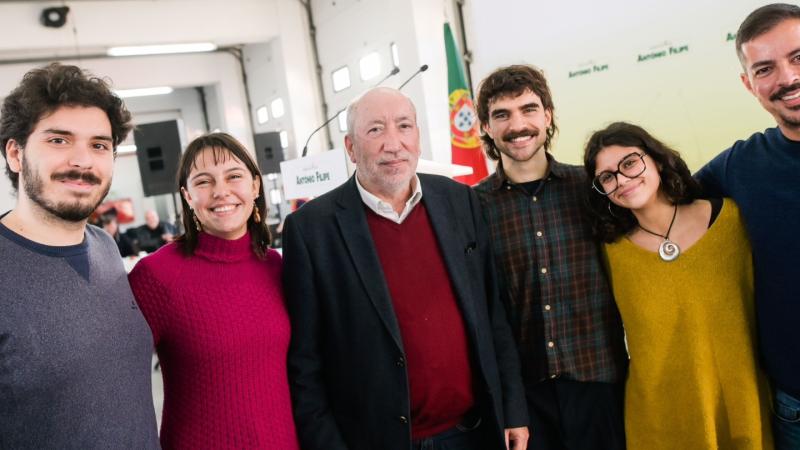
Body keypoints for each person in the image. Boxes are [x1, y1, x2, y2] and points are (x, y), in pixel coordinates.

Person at [282, 87, 529, 450]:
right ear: (350, 148)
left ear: (417, 137)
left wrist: (513, 409)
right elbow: (305, 363)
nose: (393, 143)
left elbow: (492, 313)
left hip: (472, 433)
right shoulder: (311, 230)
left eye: (404, 126)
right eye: (375, 130)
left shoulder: (459, 200)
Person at [584, 121, 772, 449]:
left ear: (656, 159)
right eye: (607, 177)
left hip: (743, 404)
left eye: (629, 163)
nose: (622, 179)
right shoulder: (610, 254)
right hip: (659, 419)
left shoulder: (731, 221)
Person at [0, 63, 159, 448]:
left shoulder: (104, 246)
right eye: (59, 140)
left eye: (99, 145)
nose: (83, 161)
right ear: (16, 155)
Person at [473, 64, 627, 450]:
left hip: (600, 385)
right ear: (487, 127)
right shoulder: (472, 206)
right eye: (501, 114)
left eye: (528, 109)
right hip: (525, 402)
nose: (517, 124)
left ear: (548, 116)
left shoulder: (591, 188)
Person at [128, 133, 299, 449]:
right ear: (188, 196)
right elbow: (116, 386)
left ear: (255, 186)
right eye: (204, 182)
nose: (221, 192)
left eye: (234, 176)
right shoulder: (158, 276)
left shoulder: (276, 266)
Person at [694, 4, 800, 448]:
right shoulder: (737, 168)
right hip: (794, 409)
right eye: (765, 68)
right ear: (748, 84)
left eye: (798, 57)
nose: (787, 78)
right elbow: (655, 204)